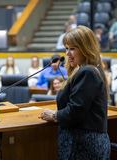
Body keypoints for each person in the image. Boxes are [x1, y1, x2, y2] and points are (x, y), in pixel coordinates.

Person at [39, 26, 110, 159]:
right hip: (82, 142)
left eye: (72, 48)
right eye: (66, 48)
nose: (67, 53)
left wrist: (54, 115)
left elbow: (75, 110)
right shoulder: (88, 70)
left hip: (83, 145)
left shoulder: (88, 72)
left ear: (85, 49)